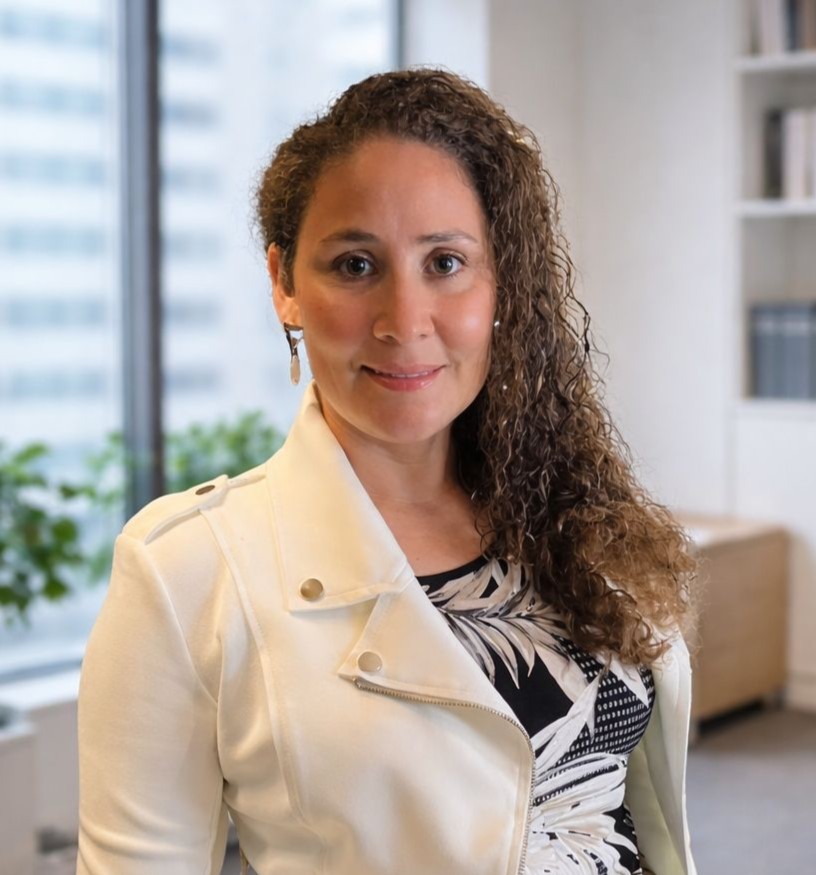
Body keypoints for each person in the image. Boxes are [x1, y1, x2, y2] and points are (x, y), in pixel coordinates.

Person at [76, 67, 700, 875]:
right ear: (283, 284)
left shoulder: (569, 507)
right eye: (354, 265)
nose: (404, 321)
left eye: (444, 262)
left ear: (499, 282)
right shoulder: (185, 572)